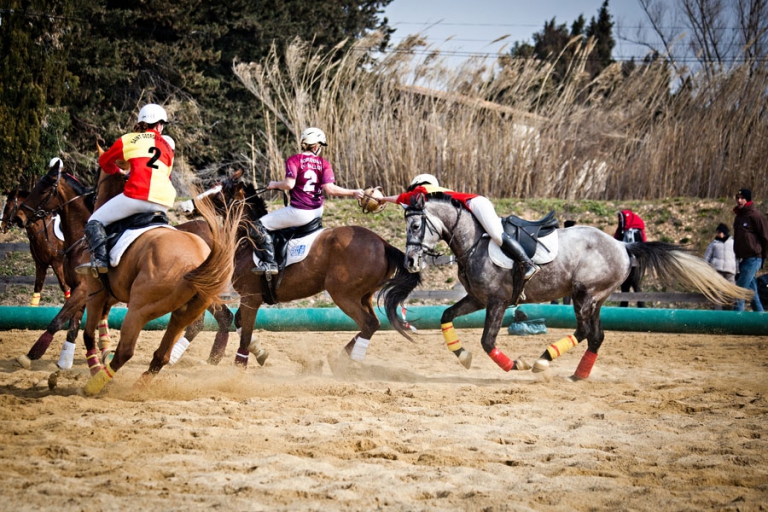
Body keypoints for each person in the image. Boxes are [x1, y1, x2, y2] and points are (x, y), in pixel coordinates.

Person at [380, 173, 538, 281]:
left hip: (477, 203)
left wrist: (382, 198)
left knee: (496, 234)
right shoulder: (432, 198)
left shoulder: (424, 190)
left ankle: (528, 264)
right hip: (471, 209)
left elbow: (405, 198)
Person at [76, 103, 175, 275]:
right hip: (164, 202)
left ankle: (101, 261)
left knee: (94, 222)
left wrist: (119, 172)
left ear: (141, 122)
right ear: (160, 125)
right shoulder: (168, 148)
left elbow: (104, 162)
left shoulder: (128, 139)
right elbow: (166, 176)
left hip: (137, 197)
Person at [251, 127, 364, 275]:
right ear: (317, 146)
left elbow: (289, 184)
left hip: (299, 212)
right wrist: (353, 192)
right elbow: (330, 189)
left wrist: (274, 184)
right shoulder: (324, 163)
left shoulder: (294, 160)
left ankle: (270, 264)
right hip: (317, 211)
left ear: (304, 143)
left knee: (257, 225)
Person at [732, 188, 768, 312]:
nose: (739, 200)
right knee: (752, 293)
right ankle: (761, 319)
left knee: (739, 291)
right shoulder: (739, 218)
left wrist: (763, 257)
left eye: (742, 198)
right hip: (743, 259)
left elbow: (765, 237)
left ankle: (736, 321)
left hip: (754, 258)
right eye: (738, 198)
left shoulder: (756, 216)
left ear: (748, 199)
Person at [613, 209, 646, 307]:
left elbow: (637, 246)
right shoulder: (621, 231)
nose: (618, 220)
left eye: (620, 217)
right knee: (624, 286)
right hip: (625, 263)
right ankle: (624, 306)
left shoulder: (634, 232)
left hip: (635, 262)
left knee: (635, 285)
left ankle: (641, 306)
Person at [703, 223, 737, 310]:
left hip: (730, 271)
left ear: (724, 233)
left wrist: (737, 270)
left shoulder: (733, 243)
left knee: (731, 292)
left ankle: (729, 311)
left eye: (719, 232)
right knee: (717, 292)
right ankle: (718, 311)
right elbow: (707, 257)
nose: (717, 234)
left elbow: (736, 257)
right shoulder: (713, 244)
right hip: (717, 271)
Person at [551, 220, 576, 305]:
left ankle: (555, 303)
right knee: (567, 287)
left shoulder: (561, 236)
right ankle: (565, 305)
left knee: (557, 285)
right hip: (567, 265)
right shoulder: (571, 238)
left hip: (559, 264)